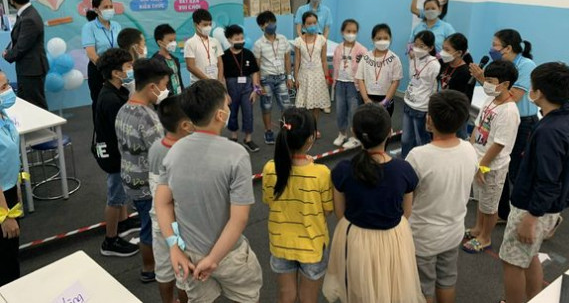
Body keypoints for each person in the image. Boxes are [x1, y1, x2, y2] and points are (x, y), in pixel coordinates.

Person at [155, 80, 263, 303]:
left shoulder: (173, 152)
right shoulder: (237, 155)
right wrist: (214, 258)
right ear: (220, 116)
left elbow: (162, 203)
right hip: (229, 254)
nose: (229, 107)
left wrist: (174, 247)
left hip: (189, 254)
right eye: (227, 104)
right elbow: (239, 218)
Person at [323, 104, 424, 303]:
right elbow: (407, 212)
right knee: (391, 284)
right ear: (390, 132)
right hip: (394, 237)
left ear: (354, 132)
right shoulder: (403, 170)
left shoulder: (343, 170)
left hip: (356, 237)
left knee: (359, 286)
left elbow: (340, 213)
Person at [499, 62, 569, 303]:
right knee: (529, 255)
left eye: (531, 87)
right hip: (546, 208)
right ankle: (535, 298)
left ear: (539, 93)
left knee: (512, 262)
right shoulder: (567, 118)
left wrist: (531, 218)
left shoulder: (549, 131)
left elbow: (548, 181)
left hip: (532, 209)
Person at [406, 90, 478, 303]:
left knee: (422, 288)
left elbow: (407, 197)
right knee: (447, 280)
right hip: (453, 232)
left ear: (429, 119)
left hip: (423, 237)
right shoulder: (469, 150)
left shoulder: (418, 156)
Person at [262, 108, 333, 303]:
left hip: (281, 242)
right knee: (308, 298)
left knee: (286, 295)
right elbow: (328, 210)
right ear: (310, 139)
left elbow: (268, 200)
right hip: (312, 244)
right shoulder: (321, 173)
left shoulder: (270, 168)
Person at [469, 29, 538, 222]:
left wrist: (483, 79)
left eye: (495, 45)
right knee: (498, 167)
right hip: (498, 118)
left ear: (508, 48)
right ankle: (501, 211)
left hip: (521, 122)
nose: (492, 49)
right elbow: (496, 93)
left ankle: (530, 213)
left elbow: (513, 96)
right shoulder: (501, 66)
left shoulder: (526, 65)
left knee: (513, 169)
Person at [115, 58, 171, 282]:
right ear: (152, 87)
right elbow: (161, 156)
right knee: (151, 228)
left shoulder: (124, 108)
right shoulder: (148, 118)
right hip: (148, 185)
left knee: (146, 223)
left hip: (130, 178)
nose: (165, 90)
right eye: (164, 85)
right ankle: (149, 268)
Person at [462, 61, 520, 254]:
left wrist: (483, 166)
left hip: (492, 166)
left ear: (505, 84)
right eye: (485, 79)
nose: (486, 84)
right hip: (479, 159)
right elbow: (477, 127)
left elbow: (499, 144)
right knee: (481, 199)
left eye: (490, 81)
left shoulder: (509, 111)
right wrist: (470, 150)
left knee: (490, 205)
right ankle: (478, 229)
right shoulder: (490, 99)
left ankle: (485, 238)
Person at [95, 48, 140, 258]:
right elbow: (123, 129)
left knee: (120, 191)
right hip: (115, 156)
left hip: (116, 152)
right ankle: (110, 240)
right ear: (116, 72)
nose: (131, 69)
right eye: (128, 66)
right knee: (115, 196)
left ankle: (123, 222)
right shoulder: (111, 99)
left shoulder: (116, 90)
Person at [148, 96, 192, 303]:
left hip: (158, 220)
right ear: (185, 125)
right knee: (184, 275)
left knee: (164, 269)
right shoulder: (184, 153)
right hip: (179, 225)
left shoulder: (156, 146)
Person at [3, 0, 49, 109]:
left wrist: (8, 55)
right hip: (28, 68)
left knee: (36, 106)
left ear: (11, 0)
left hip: (32, 70)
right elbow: (19, 39)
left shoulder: (29, 18)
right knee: (28, 104)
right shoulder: (26, 14)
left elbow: (22, 46)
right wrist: (9, 50)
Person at [253, 11, 293, 145]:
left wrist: (289, 77)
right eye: (267, 23)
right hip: (266, 80)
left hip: (281, 78)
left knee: (286, 106)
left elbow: (287, 59)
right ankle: (268, 131)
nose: (271, 25)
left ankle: (284, 131)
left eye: (273, 22)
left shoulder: (283, 39)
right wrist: (258, 84)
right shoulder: (258, 44)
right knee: (266, 107)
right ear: (261, 26)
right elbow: (257, 66)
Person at [82, 0, 122, 121]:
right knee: (100, 102)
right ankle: (100, 132)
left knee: (118, 101)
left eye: (111, 6)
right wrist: (105, 70)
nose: (109, 9)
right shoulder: (89, 27)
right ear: (96, 9)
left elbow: (121, 47)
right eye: (105, 7)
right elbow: (91, 53)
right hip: (98, 69)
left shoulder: (116, 25)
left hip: (117, 70)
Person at [221, 24, 261, 152]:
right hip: (231, 87)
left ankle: (248, 139)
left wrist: (255, 90)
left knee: (248, 113)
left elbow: (254, 72)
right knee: (232, 112)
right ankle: (234, 137)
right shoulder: (224, 55)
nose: (240, 41)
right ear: (229, 40)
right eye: (236, 39)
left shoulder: (248, 54)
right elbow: (222, 76)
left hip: (247, 87)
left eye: (242, 38)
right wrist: (225, 93)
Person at [402, 30, 441, 158]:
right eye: (416, 45)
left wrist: (430, 111)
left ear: (430, 48)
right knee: (406, 139)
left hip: (421, 108)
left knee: (421, 141)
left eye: (422, 46)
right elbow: (412, 78)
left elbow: (434, 89)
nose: (417, 48)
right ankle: (405, 162)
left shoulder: (434, 65)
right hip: (408, 102)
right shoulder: (413, 57)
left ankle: (422, 164)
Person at [294, 12, 331, 138]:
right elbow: (297, 60)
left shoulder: (322, 40)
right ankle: (305, 129)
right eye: (309, 23)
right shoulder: (299, 41)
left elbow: (324, 60)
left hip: (318, 75)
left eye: (314, 23)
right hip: (304, 75)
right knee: (304, 105)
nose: (312, 25)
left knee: (316, 105)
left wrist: (327, 77)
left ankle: (314, 129)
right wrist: (295, 77)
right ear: (304, 25)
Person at [0, 71, 21, 286]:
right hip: (1, 202)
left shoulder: (3, 115)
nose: (9, 91)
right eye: (3, 88)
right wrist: (4, 216)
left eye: (7, 85)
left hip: (10, 192)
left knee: (11, 255)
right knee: (5, 262)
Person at [332, 19, 367, 149]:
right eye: (348, 31)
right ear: (342, 32)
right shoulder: (338, 48)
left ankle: (355, 137)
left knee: (354, 112)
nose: (351, 34)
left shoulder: (361, 50)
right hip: (340, 83)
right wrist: (335, 81)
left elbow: (365, 69)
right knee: (340, 111)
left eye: (354, 31)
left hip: (354, 85)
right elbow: (335, 65)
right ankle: (342, 133)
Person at [355, 23, 402, 117]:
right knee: (366, 122)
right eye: (379, 38)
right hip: (366, 97)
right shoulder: (365, 57)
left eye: (385, 38)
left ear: (390, 39)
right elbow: (360, 79)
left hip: (386, 98)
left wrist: (385, 101)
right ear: (373, 39)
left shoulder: (395, 59)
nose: (382, 41)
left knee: (383, 123)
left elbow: (395, 82)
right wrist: (366, 99)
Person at [439, 33, 474, 138]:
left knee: (456, 141)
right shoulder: (444, 63)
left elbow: (464, 100)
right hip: (443, 109)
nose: (443, 52)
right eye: (443, 48)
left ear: (459, 53)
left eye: (447, 50)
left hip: (456, 115)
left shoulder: (465, 72)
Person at [184, 9, 224, 84]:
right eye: (205, 25)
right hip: (199, 84)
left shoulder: (215, 41)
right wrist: (208, 81)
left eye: (210, 24)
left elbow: (220, 63)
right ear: (196, 25)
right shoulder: (190, 43)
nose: (208, 27)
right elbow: (190, 66)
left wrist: (219, 81)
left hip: (216, 84)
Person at [152, 24, 184, 96]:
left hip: (179, 97)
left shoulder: (175, 59)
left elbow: (179, 79)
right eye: (170, 41)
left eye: (174, 40)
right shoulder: (155, 62)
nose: (174, 43)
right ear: (160, 42)